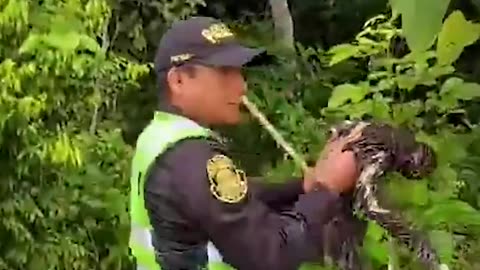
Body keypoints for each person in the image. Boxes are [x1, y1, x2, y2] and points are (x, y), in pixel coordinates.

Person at [128, 16, 365, 270]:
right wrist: (327, 189)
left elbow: (234, 201)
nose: (241, 86)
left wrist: (302, 188)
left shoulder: (160, 138)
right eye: (225, 72)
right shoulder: (193, 157)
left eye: (239, 72)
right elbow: (271, 255)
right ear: (179, 81)